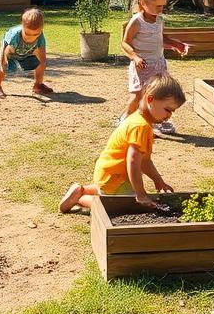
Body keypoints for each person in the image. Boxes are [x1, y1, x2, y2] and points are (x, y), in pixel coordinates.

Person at [59, 74, 185, 213]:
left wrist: (158, 180)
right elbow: (133, 162)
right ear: (150, 99)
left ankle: (82, 190)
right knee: (122, 207)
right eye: (168, 110)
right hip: (115, 176)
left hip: (112, 175)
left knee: (118, 194)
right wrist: (140, 194)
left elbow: (145, 161)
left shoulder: (141, 121)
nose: (169, 116)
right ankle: (81, 198)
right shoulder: (140, 126)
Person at [121, 0, 188, 134]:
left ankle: (156, 121)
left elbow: (160, 39)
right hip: (142, 65)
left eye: (163, 6)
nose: (161, 9)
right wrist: (135, 57)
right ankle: (125, 120)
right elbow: (124, 43)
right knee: (138, 95)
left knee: (160, 94)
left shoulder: (159, 20)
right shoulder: (136, 21)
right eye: (157, 6)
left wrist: (176, 44)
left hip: (158, 64)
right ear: (143, 3)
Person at [0, 7, 52, 98]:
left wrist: (41, 64)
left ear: (41, 29)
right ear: (22, 27)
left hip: (25, 49)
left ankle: (38, 85)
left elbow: (42, 57)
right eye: (27, 34)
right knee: (2, 65)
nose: (31, 37)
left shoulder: (40, 36)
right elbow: (5, 53)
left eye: (35, 34)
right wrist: (3, 64)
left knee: (41, 64)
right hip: (10, 49)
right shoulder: (15, 35)